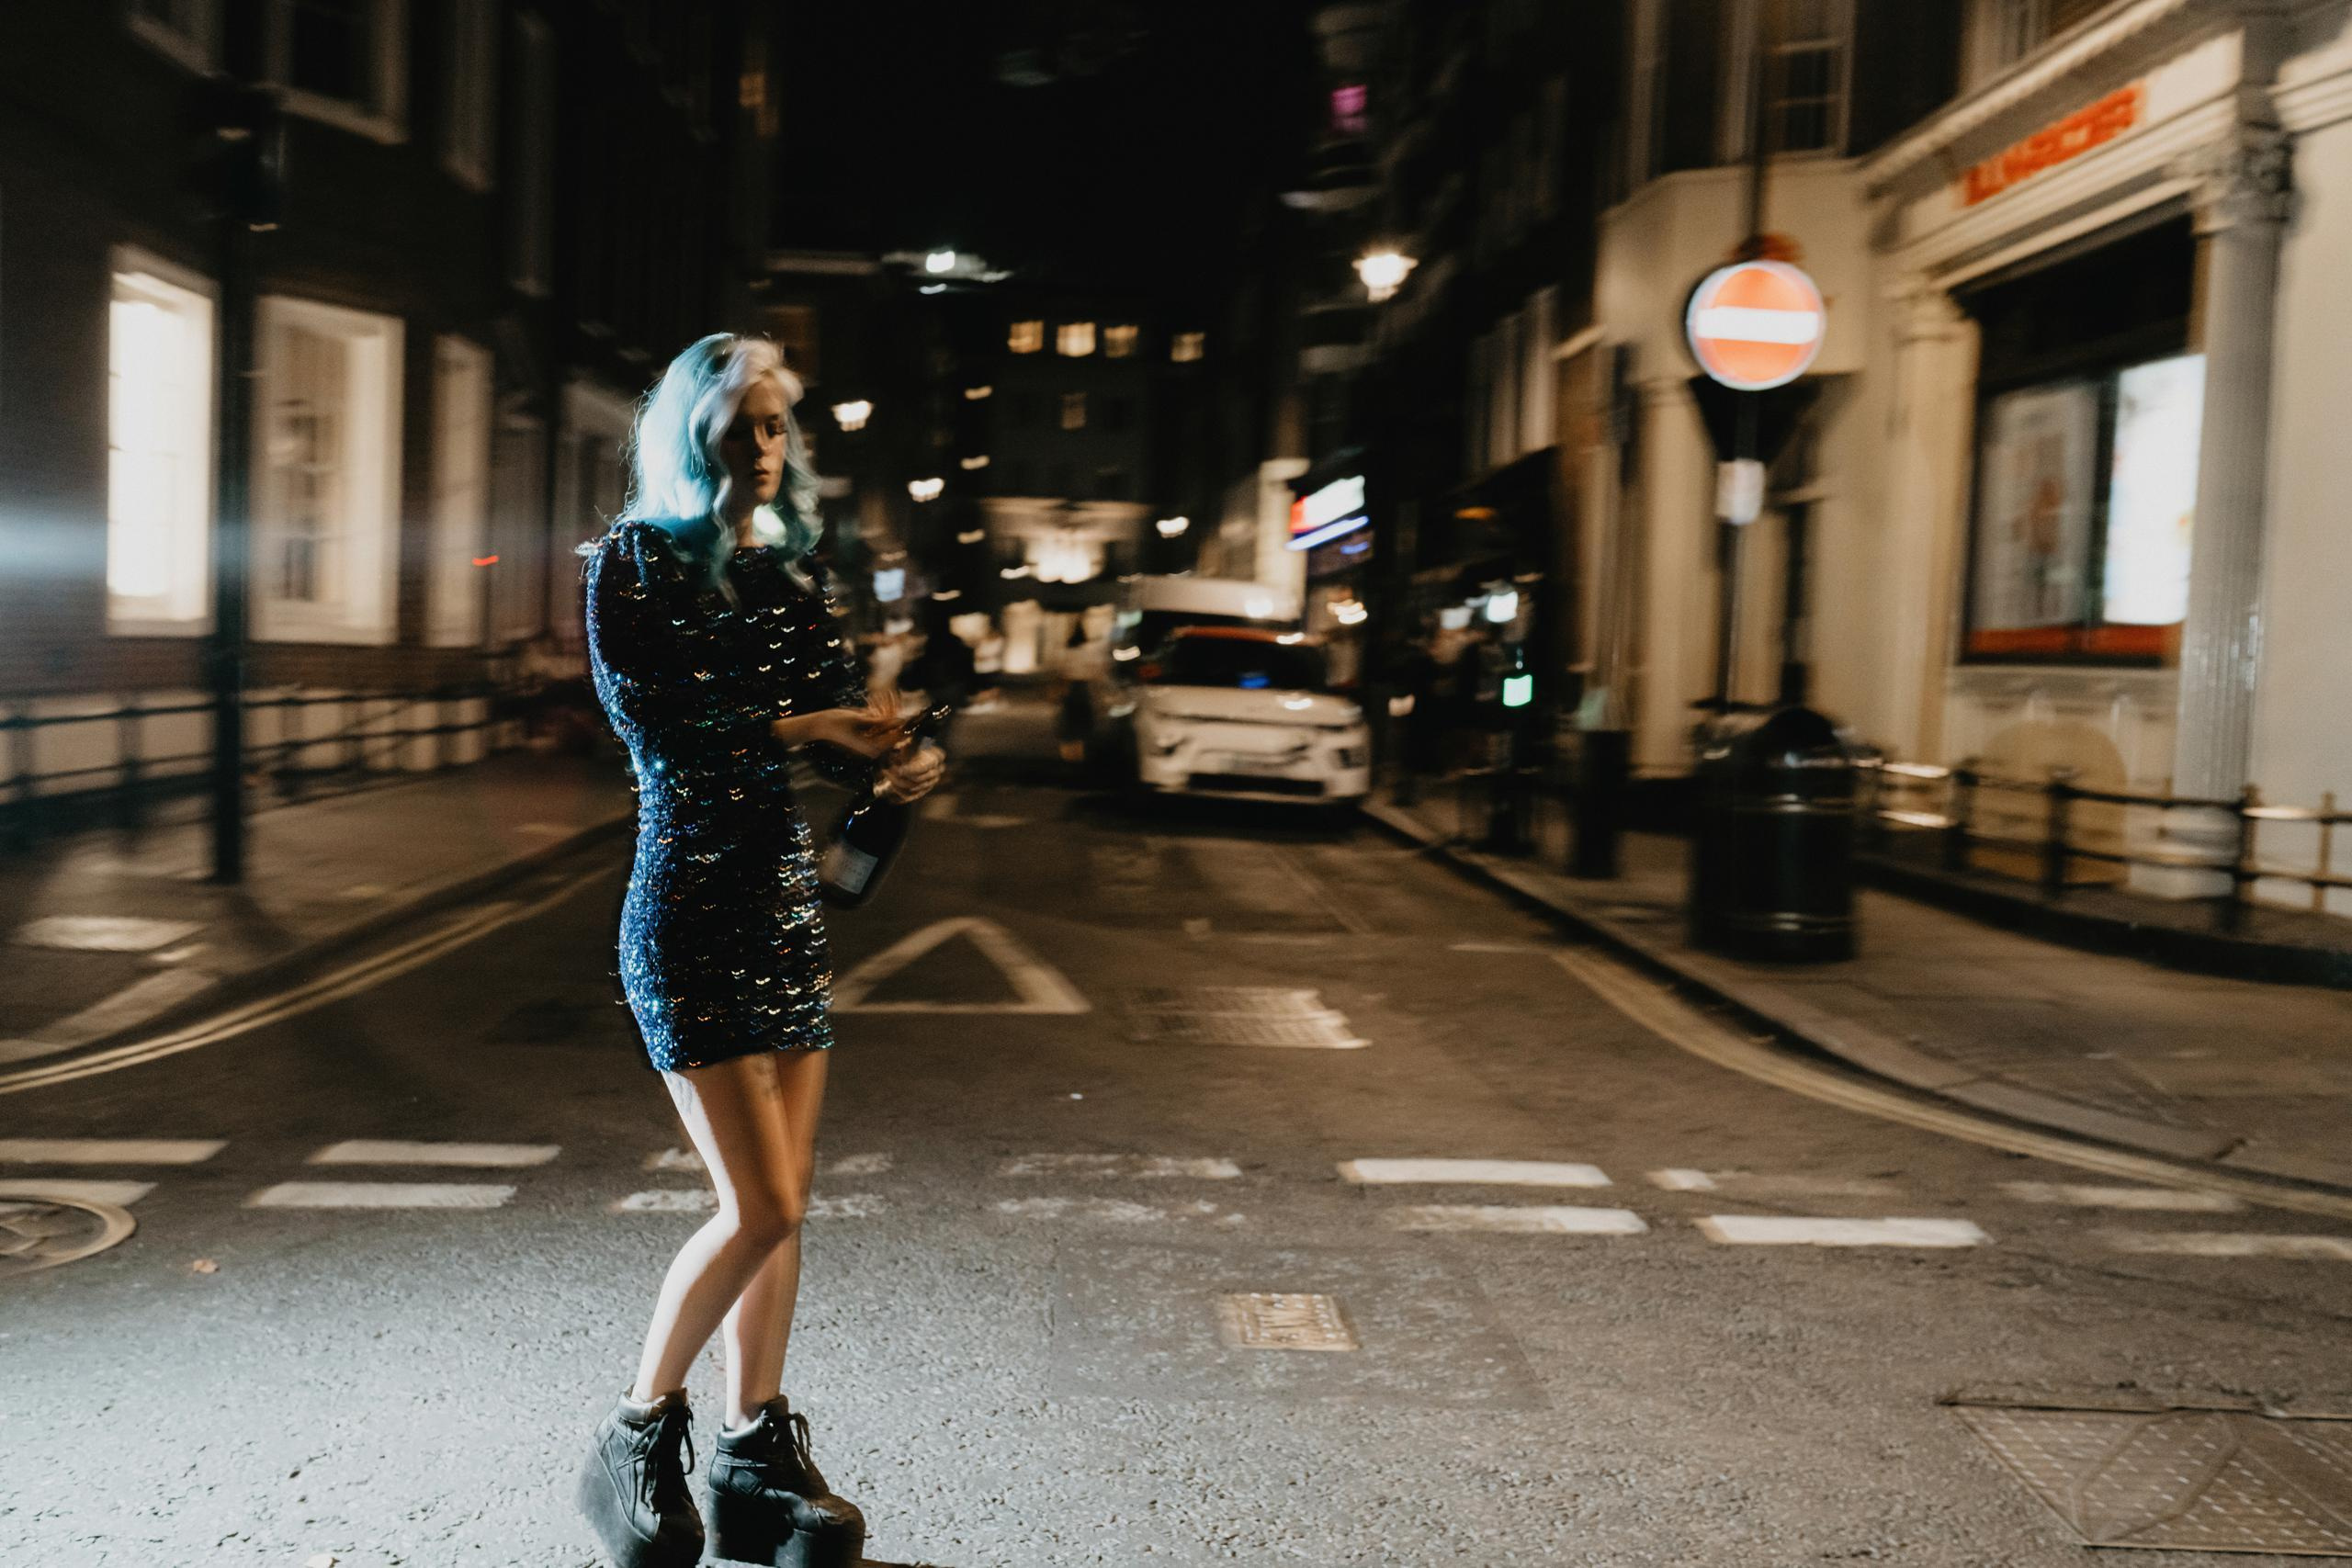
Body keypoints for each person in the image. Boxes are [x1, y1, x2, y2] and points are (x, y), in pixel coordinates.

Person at [574, 333, 942, 1568]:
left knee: (790, 1211)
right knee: (761, 1200)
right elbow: (664, 731)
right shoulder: (633, 567)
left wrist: (890, 756)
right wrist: (807, 721)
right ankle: (634, 1431)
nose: (769, 451)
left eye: (781, 428)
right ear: (695, 440)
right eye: (746, 431)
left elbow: (835, 734)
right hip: (684, 909)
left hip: (783, 908)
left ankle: (752, 1454)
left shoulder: (791, 576)